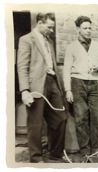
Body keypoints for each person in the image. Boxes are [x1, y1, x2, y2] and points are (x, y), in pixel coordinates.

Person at [17, 13, 67, 163]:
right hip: (36, 86)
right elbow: (22, 66)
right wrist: (25, 90)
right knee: (35, 123)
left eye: (53, 28)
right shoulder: (26, 40)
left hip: (52, 83)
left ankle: (55, 155)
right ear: (39, 23)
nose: (51, 31)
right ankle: (36, 158)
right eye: (49, 27)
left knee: (61, 119)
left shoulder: (49, 41)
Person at [63, 16, 98, 156]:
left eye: (90, 28)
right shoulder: (72, 47)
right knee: (80, 118)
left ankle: (97, 150)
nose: (88, 31)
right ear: (78, 29)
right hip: (77, 83)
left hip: (96, 83)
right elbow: (66, 70)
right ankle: (85, 151)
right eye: (85, 28)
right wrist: (68, 90)